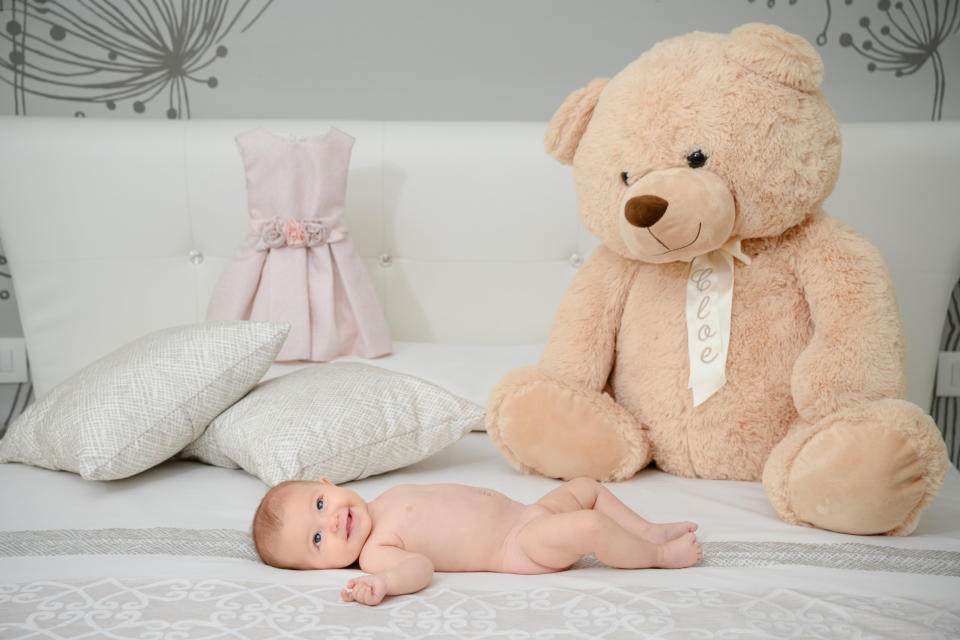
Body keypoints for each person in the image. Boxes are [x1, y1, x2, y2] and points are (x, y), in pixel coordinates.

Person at [252, 477, 702, 606]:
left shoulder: (382, 500)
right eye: (316, 538)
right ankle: (659, 555)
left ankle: (646, 531)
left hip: (530, 511)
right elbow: (420, 568)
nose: (331, 521)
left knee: (587, 487)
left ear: (328, 483)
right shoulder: (375, 552)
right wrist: (385, 583)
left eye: (320, 504)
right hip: (520, 544)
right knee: (587, 526)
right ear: (324, 568)